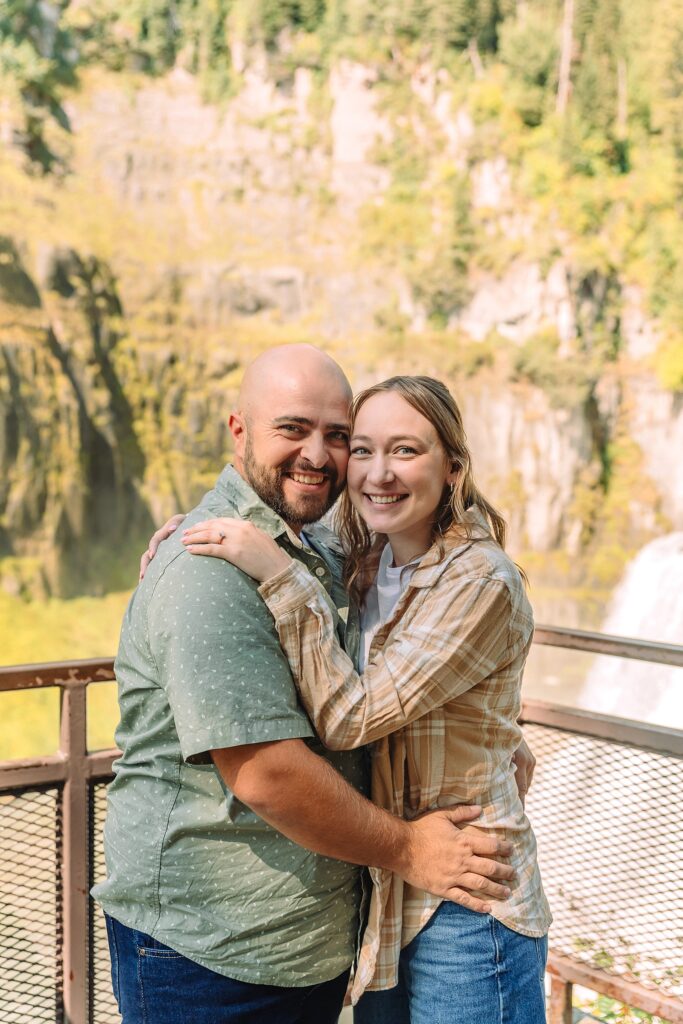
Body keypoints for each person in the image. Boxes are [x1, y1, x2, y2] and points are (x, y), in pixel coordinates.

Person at [93, 347, 521, 1024]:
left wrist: (498, 746)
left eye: (337, 436)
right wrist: (409, 849)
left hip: (309, 946)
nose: (319, 455)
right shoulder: (211, 572)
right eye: (292, 429)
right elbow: (267, 774)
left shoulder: (324, 552)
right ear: (239, 431)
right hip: (212, 956)